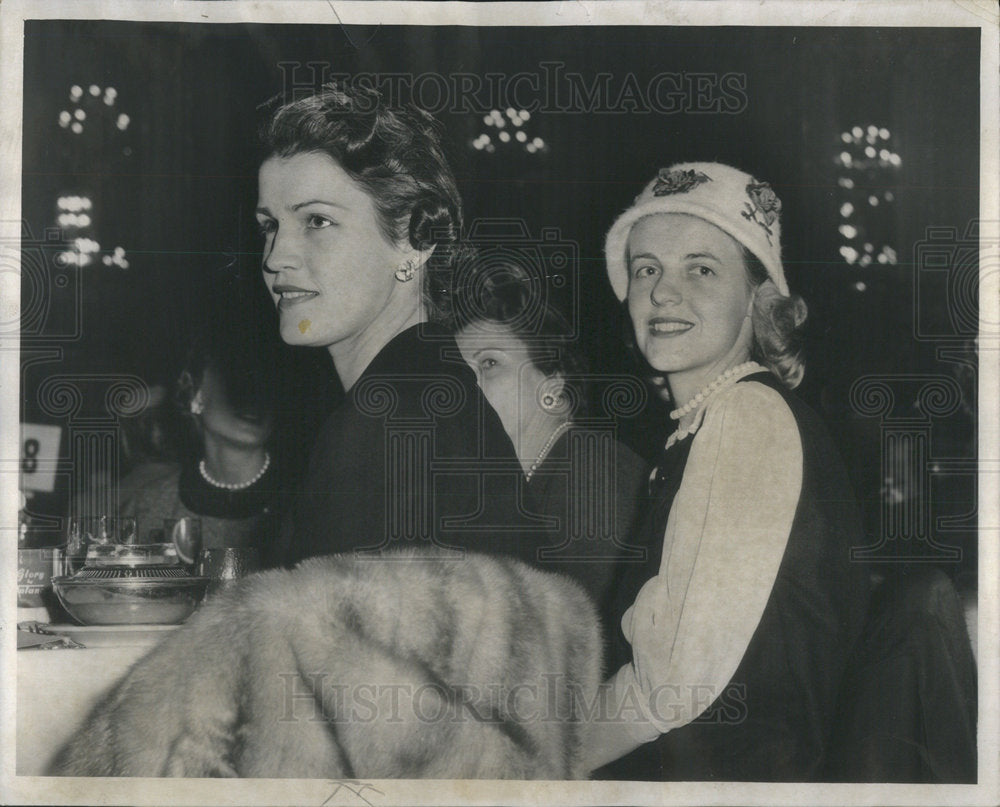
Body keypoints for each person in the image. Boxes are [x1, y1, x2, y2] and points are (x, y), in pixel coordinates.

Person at [586, 163, 871, 780]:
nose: (663, 291)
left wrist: (545, 756)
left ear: (757, 300)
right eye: (646, 269)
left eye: (702, 269)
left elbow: (672, 687)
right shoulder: (706, 423)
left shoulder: (749, 416)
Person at [256, 83, 531, 566]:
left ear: (414, 240)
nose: (276, 257)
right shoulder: (425, 394)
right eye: (269, 225)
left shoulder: (387, 421)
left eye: (316, 221)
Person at [453, 259, 649, 640]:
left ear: (553, 386)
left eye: (490, 364)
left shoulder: (592, 473)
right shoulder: (520, 487)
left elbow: (582, 653)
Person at [117, 329, 280, 553]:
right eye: (236, 378)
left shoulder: (307, 498)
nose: (252, 396)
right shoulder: (147, 506)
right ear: (196, 394)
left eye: (266, 381)